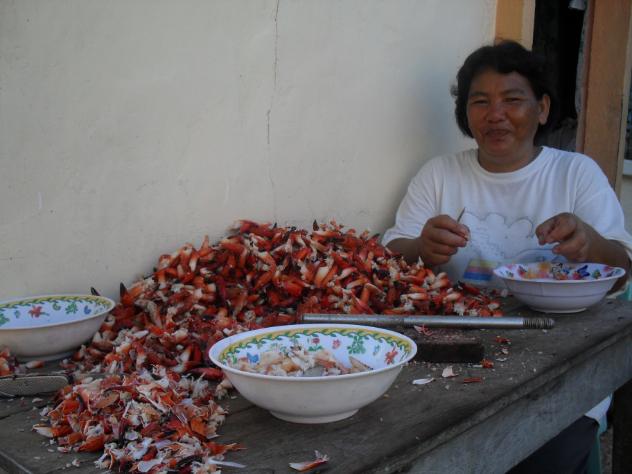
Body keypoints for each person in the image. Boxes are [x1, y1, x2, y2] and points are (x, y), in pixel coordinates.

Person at [382, 40, 632, 473]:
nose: (495, 114)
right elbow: (388, 257)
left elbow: (623, 272)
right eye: (480, 102)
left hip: (559, 363)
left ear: (542, 108)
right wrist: (421, 249)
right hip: (451, 358)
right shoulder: (439, 174)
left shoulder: (575, 173)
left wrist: (589, 243)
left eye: (512, 100)